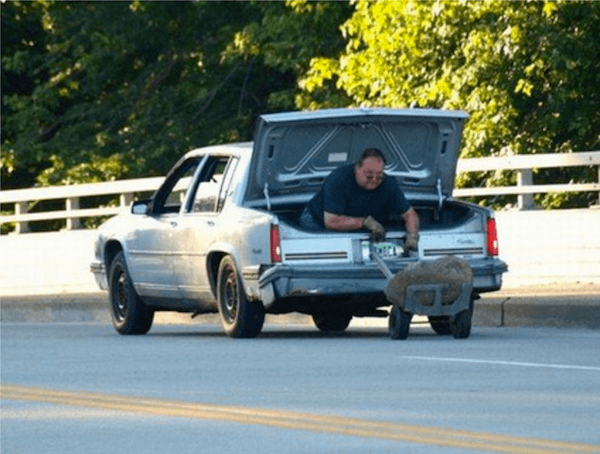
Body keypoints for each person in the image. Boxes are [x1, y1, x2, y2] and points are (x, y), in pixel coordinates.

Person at [299, 148, 419, 251]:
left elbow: (409, 213)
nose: (374, 180)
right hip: (316, 223)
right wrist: (366, 222)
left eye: (379, 176)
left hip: (359, 227)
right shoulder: (339, 179)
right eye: (369, 175)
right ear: (357, 168)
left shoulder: (388, 184)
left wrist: (412, 237)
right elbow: (331, 221)